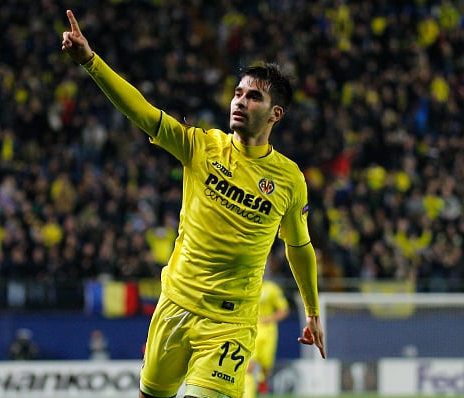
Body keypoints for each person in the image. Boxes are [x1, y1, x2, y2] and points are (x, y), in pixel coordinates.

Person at [61, 9, 326, 398]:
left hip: (229, 323)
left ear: (276, 113)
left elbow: (299, 246)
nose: (240, 101)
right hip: (176, 305)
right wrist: (90, 61)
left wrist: (313, 310)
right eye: (238, 93)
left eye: (253, 96)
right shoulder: (201, 146)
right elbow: (142, 112)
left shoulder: (289, 179)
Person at [243, 277, 290, 398]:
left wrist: (270, 318)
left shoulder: (272, 289)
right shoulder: (247, 285)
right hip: (252, 330)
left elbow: (284, 309)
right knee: (249, 366)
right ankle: (248, 395)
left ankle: (262, 384)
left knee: (265, 367)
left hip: (269, 332)